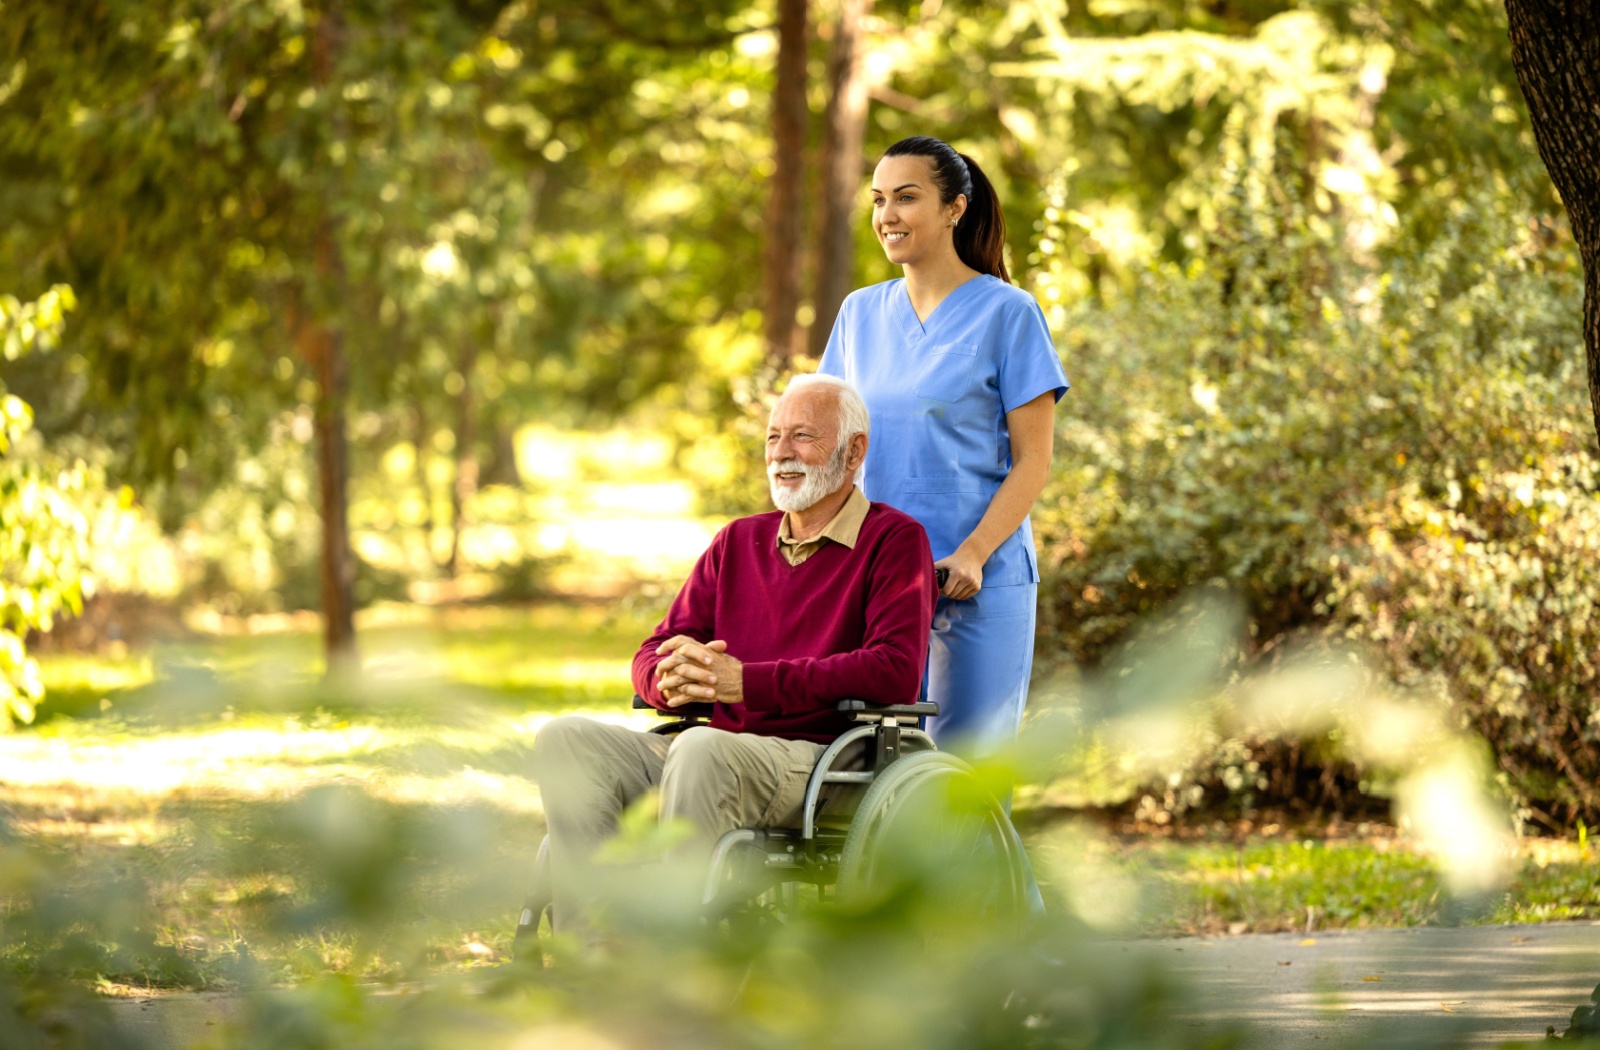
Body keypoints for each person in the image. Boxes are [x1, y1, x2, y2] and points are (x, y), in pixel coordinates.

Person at [531, 374, 938, 938]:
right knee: (565, 740)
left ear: (854, 452)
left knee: (700, 748)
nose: (782, 454)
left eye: (802, 437)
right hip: (712, 752)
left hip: (823, 761)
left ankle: (677, 960)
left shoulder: (893, 541)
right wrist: (667, 679)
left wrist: (746, 683)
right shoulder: (738, 542)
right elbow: (654, 648)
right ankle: (593, 954)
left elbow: (893, 669)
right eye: (773, 438)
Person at [818, 134, 1069, 757]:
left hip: (977, 579)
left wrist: (975, 554)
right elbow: (830, 449)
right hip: (877, 579)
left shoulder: (1009, 313)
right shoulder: (859, 314)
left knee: (963, 780)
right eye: (878, 200)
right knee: (869, 772)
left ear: (955, 207)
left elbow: (1033, 461)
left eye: (906, 197)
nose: (887, 216)